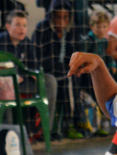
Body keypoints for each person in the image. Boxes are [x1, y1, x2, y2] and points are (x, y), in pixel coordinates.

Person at [0, 10, 58, 132]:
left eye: (24, 25)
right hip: (2, 85)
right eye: (18, 25)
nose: (22, 29)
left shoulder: (26, 42)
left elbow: (33, 66)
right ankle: (8, 132)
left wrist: (35, 74)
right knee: (7, 87)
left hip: (21, 82)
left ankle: (45, 130)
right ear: (8, 27)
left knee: (50, 81)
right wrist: (13, 76)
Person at [33, 0, 83, 139]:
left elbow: (76, 53)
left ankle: (78, 123)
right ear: (51, 16)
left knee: (75, 77)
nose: (61, 21)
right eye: (58, 17)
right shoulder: (41, 29)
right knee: (63, 80)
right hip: (47, 72)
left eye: (65, 17)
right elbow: (38, 58)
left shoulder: (73, 31)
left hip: (65, 70)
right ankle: (59, 127)